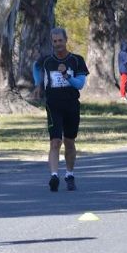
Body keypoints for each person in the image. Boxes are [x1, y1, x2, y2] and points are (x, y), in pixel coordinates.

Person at [32, 27, 89, 191]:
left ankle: (69, 174)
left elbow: (80, 84)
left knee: (69, 142)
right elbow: (36, 66)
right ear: (52, 42)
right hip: (53, 105)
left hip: (71, 104)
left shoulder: (77, 60)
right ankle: (54, 176)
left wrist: (67, 76)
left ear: (66, 40)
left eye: (60, 41)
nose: (58, 44)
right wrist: (38, 84)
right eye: (55, 41)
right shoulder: (47, 61)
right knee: (55, 141)